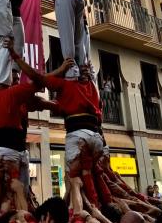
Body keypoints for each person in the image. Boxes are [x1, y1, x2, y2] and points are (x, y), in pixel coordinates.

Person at [7, 41, 103, 206]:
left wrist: (15, 55)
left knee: (73, 179)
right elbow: (49, 104)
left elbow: (38, 79)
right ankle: (88, 207)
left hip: (78, 135)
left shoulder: (66, 84)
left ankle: (81, 212)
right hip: (98, 138)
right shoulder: (93, 87)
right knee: (90, 174)